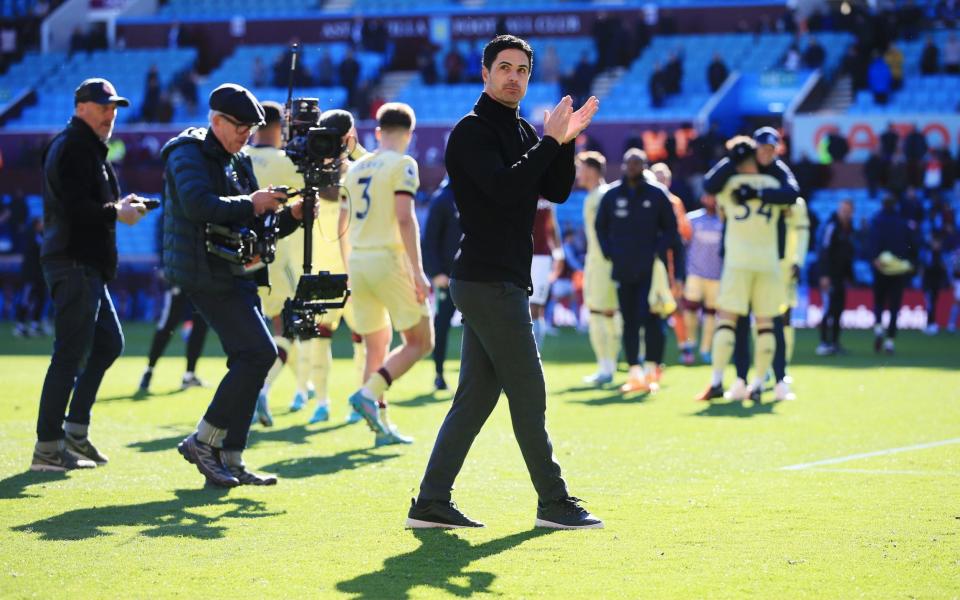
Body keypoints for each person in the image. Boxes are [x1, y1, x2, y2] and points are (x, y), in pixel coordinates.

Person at [408, 35, 602, 530]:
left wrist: (565, 140)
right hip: (487, 280)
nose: (514, 76)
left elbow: (555, 190)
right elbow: (503, 188)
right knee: (528, 390)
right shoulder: (470, 132)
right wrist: (550, 142)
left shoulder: (519, 131)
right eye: (505, 68)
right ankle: (553, 502)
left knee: (475, 398)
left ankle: (430, 503)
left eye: (522, 70)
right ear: (485, 73)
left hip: (496, 280)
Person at [162, 83, 299, 487]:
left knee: (253, 357)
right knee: (258, 353)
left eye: (251, 128)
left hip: (234, 269)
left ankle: (230, 458)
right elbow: (198, 205)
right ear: (215, 119)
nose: (246, 135)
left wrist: (292, 214)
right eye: (240, 126)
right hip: (203, 271)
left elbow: (256, 222)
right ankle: (203, 440)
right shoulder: (185, 152)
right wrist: (253, 202)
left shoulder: (237, 159)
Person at [31, 78, 148, 471]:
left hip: (83, 264)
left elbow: (84, 204)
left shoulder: (85, 147)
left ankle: (74, 432)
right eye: (103, 107)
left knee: (108, 343)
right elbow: (75, 208)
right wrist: (117, 211)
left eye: (114, 107)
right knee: (68, 355)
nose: (110, 115)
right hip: (73, 262)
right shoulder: (75, 147)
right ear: (81, 106)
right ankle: (48, 447)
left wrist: (118, 205)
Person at [339, 102, 431, 447]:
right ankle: (368, 395)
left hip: (359, 262)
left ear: (377, 133)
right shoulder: (403, 163)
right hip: (388, 260)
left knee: (376, 348)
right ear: (409, 134)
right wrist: (418, 273)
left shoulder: (356, 168)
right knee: (422, 341)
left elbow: (342, 223)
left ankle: (380, 428)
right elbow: (404, 218)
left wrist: (349, 269)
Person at [696, 136, 796, 403]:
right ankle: (757, 384)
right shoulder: (774, 183)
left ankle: (719, 379)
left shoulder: (728, 185)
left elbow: (708, 186)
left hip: (737, 261)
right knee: (767, 324)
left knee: (727, 320)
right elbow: (792, 197)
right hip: (768, 261)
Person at [596, 149, 678, 394]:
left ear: (645, 166)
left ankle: (653, 370)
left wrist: (657, 253)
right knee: (629, 320)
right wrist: (609, 252)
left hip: (650, 269)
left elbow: (671, 229)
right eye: (629, 163)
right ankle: (633, 371)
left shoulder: (656, 194)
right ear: (623, 165)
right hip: (623, 267)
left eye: (638, 163)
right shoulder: (612, 195)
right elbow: (600, 226)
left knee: (652, 318)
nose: (632, 167)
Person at [577, 150, 619, 385]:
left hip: (604, 263)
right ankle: (606, 365)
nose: (577, 174)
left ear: (592, 170)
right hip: (594, 262)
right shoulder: (593, 195)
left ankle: (609, 366)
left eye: (580, 168)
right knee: (597, 312)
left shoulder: (603, 196)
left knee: (605, 313)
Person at [422, 177, 461, 392]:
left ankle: (489, 376)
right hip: (447, 277)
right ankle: (439, 373)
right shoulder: (442, 199)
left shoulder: (472, 192)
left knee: (482, 328)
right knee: (442, 325)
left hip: (472, 276)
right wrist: (436, 273)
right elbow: (429, 241)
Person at [137, 280, 209, 394]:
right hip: (180, 282)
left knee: (199, 328)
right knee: (167, 326)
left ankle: (189, 375)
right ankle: (149, 371)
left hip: (199, 285)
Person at [869, 195, 918, 354]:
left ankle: (878, 329)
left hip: (881, 267)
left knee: (879, 302)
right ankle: (890, 342)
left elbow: (871, 241)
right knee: (894, 306)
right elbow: (912, 244)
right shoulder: (903, 222)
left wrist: (874, 257)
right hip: (898, 270)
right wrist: (909, 262)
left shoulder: (876, 220)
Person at [681, 193, 723, 365]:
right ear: (703, 199)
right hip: (695, 273)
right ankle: (690, 343)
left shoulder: (724, 221)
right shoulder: (692, 219)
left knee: (711, 314)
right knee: (690, 310)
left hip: (716, 275)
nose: (711, 201)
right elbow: (683, 245)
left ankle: (706, 349)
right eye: (708, 197)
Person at [816, 199, 855, 355]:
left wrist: (850, 276)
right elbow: (824, 251)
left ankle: (835, 343)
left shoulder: (849, 228)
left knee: (839, 310)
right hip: (830, 275)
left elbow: (847, 254)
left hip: (840, 277)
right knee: (828, 309)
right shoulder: (831, 226)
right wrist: (824, 275)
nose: (846, 213)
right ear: (839, 210)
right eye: (844, 210)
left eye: (849, 210)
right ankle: (824, 343)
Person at [530, 198, 563, 350]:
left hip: (542, 256)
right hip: (519, 254)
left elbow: (552, 223)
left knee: (535, 307)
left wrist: (559, 254)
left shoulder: (548, 194)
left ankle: (535, 353)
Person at [13, 217, 46, 338]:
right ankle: (20, 326)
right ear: (36, 225)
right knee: (25, 300)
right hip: (29, 275)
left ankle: (35, 325)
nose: (43, 225)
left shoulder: (42, 236)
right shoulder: (30, 236)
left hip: (39, 275)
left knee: (40, 299)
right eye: (41, 223)